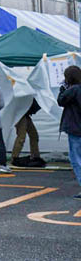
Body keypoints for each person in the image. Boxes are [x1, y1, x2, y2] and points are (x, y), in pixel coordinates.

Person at [57, 64, 81, 197]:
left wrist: (62, 89)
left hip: (76, 129)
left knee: (76, 159)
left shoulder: (74, 90)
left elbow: (61, 101)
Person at [11, 97, 44, 167]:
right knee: (22, 136)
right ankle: (15, 157)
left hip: (24, 114)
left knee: (33, 135)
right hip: (20, 114)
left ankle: (35, 156)